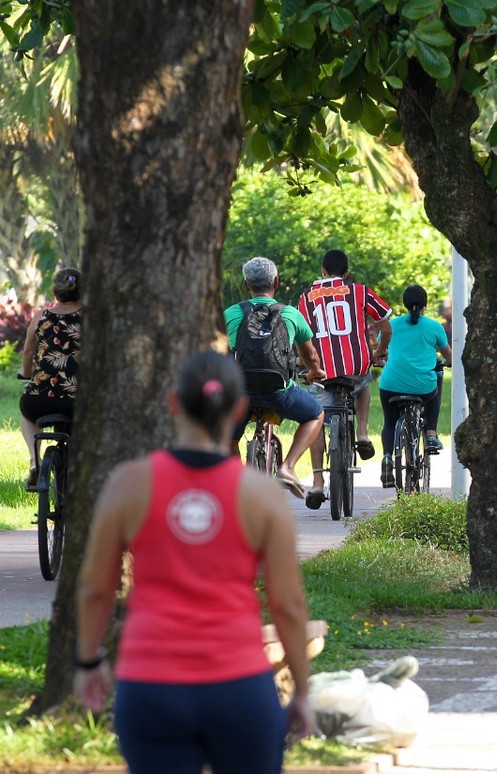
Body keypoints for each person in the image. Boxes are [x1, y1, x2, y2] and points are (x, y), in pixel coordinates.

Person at [74, 351, 315, 772]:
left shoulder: (128, 484)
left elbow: (96, 588)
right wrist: (302, 692)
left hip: (151, 687)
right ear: (239, 409)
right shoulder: (261, 495)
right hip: (240, 687)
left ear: (173, 403)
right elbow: (289, 605)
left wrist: (89, 661)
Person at [296, 249, 392, 508]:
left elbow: (299, 334)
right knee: (363, 383)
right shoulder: (360, 291)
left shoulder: (306, 298)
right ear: (346, 273)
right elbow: (385, 324)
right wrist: (378, 353)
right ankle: (361, 433)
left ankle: (317, 482)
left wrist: (302, 361)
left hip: (322, 369)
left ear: (322, 271)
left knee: (315, 416)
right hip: (355, 365)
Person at [225, 256, 326, 498]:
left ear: (246, 284)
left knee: (226, 433)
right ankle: (287, 467)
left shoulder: (231, 313)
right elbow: (310, 354)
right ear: (276, 282)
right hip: (278, 391)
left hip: (240, 392)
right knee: (316, 414)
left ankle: (236, 479)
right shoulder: (291, 314)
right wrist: (315, 371)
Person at [378, 284, 451, 488]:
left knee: (390, 422)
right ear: (426, 305)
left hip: (391, 385)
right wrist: (448, 361)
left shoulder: (391, 325)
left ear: (404, 303)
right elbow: (448, 355)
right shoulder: (434, 327)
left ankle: (387, 457)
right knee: (436, 379)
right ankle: (431, 434)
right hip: (422, 388)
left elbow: (382, 350)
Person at [18, 267, 82, 491]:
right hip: (77, 399)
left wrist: (27, 375)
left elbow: (28, 351)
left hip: (40, 397)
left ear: (55, 293)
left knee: (26, 414)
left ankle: (36, 461)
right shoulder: (91, 318)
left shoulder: (41, 316)